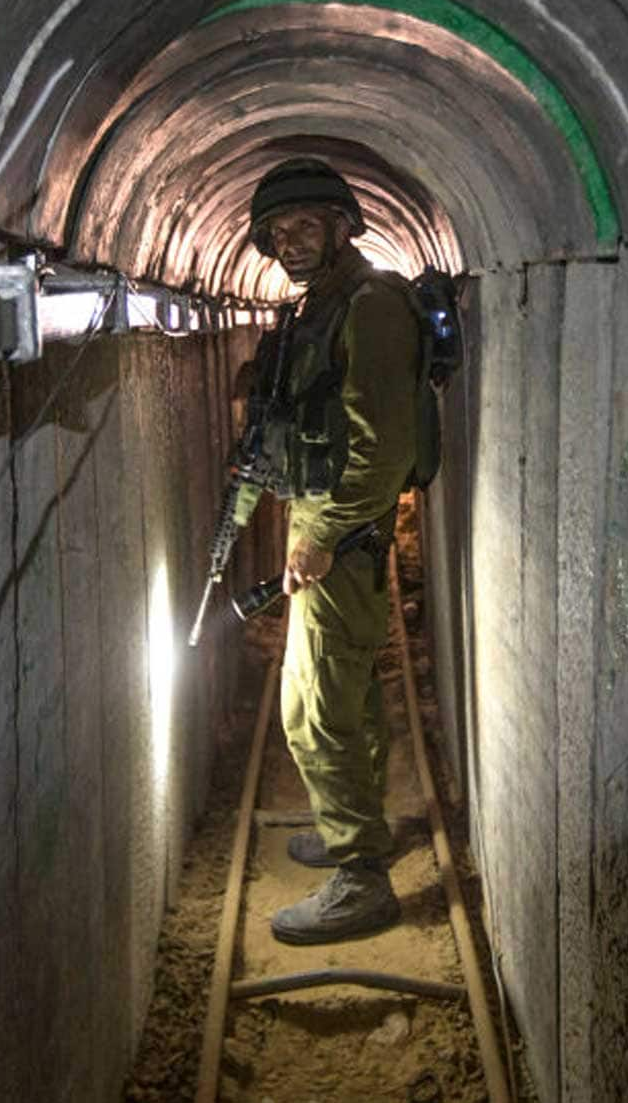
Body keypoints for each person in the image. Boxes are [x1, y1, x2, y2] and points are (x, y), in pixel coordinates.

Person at [244, 156, 423, 945]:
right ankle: (359, 829)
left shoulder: (371, 304)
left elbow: (385, 449)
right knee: (340, 691)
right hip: (325, 519)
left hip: (341, 528)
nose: (290, 242)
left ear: (342, 225)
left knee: (312, 710)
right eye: (278, 232)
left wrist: (320, 535)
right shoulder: (323, 304)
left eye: (305, 225)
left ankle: (359, 876)